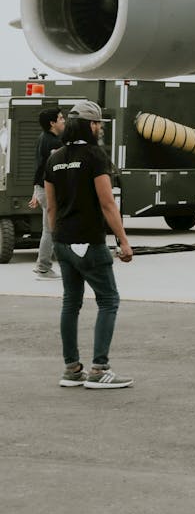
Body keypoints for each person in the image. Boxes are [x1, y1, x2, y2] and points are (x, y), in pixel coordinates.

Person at [44, 99, 134, 389]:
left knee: (71, 303)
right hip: (89, 242)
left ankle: (71, 369)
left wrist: (57, 236)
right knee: (109, 300)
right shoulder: (95, 156)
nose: (100, 129)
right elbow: (107, 202)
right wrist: (123, 241)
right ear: (89, 125)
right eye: (98, 124)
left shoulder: (55, 158)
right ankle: (99, 369)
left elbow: (51, 207)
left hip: (63, 241)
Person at [29, 106, 65, 278]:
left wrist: (36, 192)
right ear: (52, 123)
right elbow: (54, 170)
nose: (64, 120)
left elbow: (39, 167)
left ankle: (44, 266)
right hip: (48, 190)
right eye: (60, 118)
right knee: (51, 230)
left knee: (49, 229)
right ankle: (43, 267)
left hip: (41, 188)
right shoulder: (54, 144)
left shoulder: (42, 138)